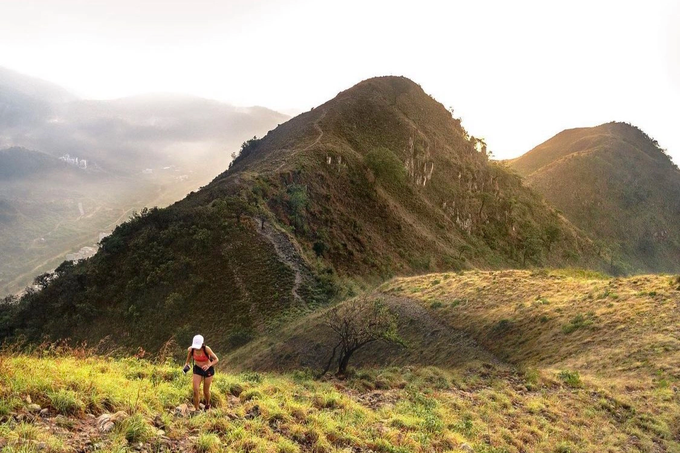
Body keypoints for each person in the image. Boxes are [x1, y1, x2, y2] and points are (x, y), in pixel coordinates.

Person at [184, 334, 219, 410]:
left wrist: (209, 365)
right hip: (197, 369)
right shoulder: (192, 349)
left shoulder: (206, 349)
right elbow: (188, 357)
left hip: (208, 370)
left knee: (205, 390)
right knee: (195, 390)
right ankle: (196, 409)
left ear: (202, 344)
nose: (196, 348)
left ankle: (207, 404)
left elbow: (216, 359)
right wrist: (186, 364)